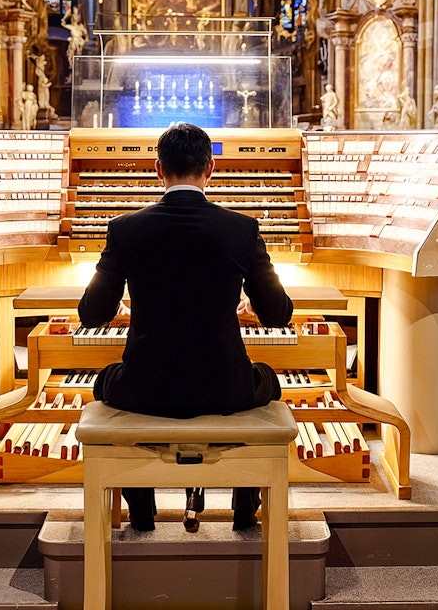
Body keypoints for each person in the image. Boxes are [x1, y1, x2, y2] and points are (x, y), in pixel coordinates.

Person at [79, 123, 293, 532]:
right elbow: (278, 313)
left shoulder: (124, 229)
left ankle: (142, 514)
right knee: (267, 380)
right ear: (210, 168)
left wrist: (125, 301)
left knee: (104, 381)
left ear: (158, 169)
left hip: (145, 388)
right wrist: (245, 302)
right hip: (225, 387)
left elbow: (91, 313)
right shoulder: (242, 229)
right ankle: (244, 511)